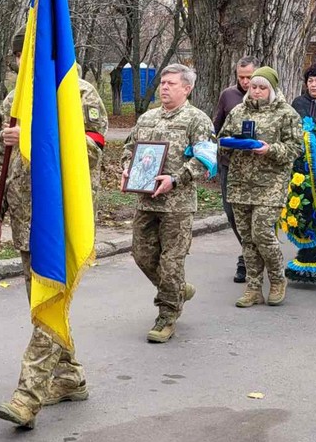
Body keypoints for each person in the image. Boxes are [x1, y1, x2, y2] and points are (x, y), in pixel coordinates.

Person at [0, 29, 108, 429]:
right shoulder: (12, 100)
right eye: (22, 55)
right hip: (25, 219)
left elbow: (90, 150)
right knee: (44, 306)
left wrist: (35, 137)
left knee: (49, 304)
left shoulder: (77, 92)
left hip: (61, 222)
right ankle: (70, 376)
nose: (26, 62)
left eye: (33, 53)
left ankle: (27, 395)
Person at [123, 64, 215, 343]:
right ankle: (176, 290)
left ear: (186, 88)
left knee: (171, 261)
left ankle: (167, 316)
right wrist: (128, 168)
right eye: (162, 82)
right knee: (141, 255)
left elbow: (205, 159)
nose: (164, 87)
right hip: (146, 201)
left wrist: (176, 179)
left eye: (171, 83)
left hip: (177, 204)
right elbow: (129, 148)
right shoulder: (147, 118)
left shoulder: (197, 120)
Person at [217, 66, 301, 307]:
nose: (256, 91)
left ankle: (277, 279)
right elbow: (222, 138)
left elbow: (295, 148)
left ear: (272, 89)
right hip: (240, 183)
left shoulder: (286, 114)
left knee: (262, 233)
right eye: (253, 86)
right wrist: (229, 144)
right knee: (247, 239)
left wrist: (270, 149)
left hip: (270, 183)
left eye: (262, 87)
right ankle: (253, 287)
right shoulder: (237, 111)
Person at [213, 56, 259, 284]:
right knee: (232, 213)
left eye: (249, 77)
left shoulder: (267, 95)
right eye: (241, 77)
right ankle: (248, 252)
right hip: (229, 164)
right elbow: (216, 128)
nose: (245, 82)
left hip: (258, 167)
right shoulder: (228, 95)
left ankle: (248, 259)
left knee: (254, 214)